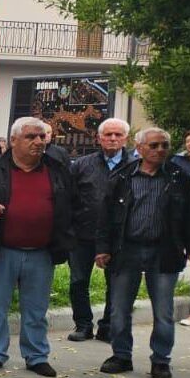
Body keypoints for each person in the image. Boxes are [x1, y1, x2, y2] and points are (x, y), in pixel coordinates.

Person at [0, 117, 75, 376]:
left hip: (41, 252)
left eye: (41, 137)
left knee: (36, 310)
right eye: (30, 137)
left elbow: (72, 204)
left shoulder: (57, 169)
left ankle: (36, 356)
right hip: (1, 250)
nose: (38, 141)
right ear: (13, 140)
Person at [97, 127, 190, 378]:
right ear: (139, 148)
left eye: (164, 145)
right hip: (126, 250)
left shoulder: (179, 178)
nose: (160, 150)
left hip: (164, 251)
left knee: (163, 311)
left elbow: (189, 217)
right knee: (119, 309)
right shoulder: (123, 176)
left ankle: (161, 360)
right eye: (154, 145)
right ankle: (121, 355)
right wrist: (102, 248)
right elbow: (106, 215)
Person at [68, 118, 132, 341]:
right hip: (82, 234)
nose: (113, 139)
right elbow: (69, 198)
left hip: (118, 238)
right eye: (108, 134)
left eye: (118, 135)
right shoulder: (82, 165)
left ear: (125, 138)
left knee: (114, 284)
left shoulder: (134, 165)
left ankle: (108, 326)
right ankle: (83, 325)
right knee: (78, 281)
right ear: (98, 138)